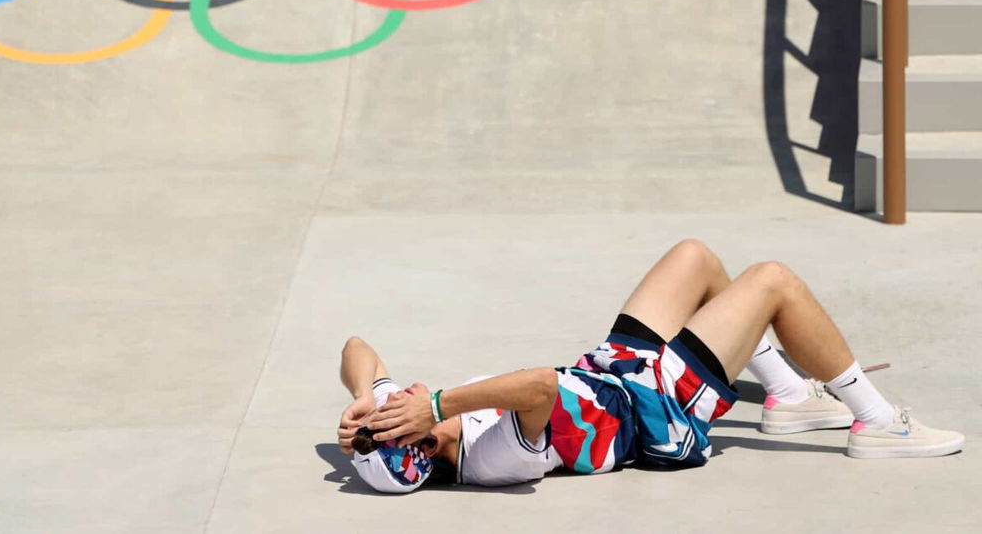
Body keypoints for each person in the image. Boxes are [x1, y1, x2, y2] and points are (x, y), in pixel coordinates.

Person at [335, 240, 964, 493]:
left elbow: (357, 346)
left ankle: (790, 397)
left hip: (613, 373)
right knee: (773, 282)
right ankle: (877, 422)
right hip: (658, 413)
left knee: (696, 258)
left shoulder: (411, 421)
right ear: (414, 443)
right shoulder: (493, 458)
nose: (400, 396)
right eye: (393, 414)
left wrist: (365, 393)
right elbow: (538, 386)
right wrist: (439, 403)